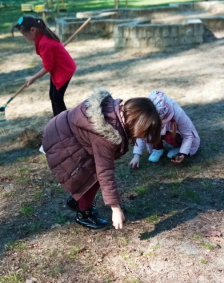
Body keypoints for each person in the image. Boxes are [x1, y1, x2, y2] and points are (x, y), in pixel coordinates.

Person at [42, 88, 162, 230]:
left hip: (60, 129)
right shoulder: (107, 135)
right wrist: (115, 208)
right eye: (144, 133)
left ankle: (76, 200)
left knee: (94, 170)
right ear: (137, 124)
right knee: (94, 176)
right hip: (61, 141)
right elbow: (105, 172)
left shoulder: (114, 111)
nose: (143, 137)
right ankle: (84, 213)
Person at [12, 16, 76, 117]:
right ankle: (57, 120)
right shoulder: (43, 34)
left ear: (32, 30)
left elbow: (47, 67)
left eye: (25, 35)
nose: (25, 38)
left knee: (57, 98)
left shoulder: (44, 43)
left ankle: (64, 123)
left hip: (64, 70)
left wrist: (33, 78)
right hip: (59, 67)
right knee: (53, 96)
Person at [129, 90, 200, 168]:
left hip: (174, 133)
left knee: (171, 136)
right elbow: (141, 133)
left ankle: (178, 147)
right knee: (151, 130)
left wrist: (182, 153)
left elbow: (188, 135)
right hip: (160, 132)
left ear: (163, 113)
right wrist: (136, 156)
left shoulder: (178, 114)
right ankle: (157, 149)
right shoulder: (147, 113)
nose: (154, 120)